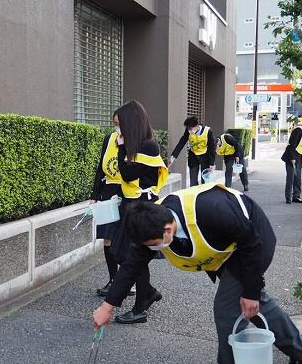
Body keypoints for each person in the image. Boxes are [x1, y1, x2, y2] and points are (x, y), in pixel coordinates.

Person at [92, 183, 302, 364]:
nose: (152, 249)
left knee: (228, 310)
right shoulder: (149, 225)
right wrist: (107, 307)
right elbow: (132, 266)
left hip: (252, 242)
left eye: (154, 244)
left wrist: (251, 290)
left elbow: (251, 242)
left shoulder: (213, 210)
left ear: (168, 229)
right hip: (227, 248)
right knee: (249, 305)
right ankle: (301, 348)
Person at [108, 100, 169, 324]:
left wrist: (122, 147)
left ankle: (141, 305)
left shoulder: (148, 146)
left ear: (130, 124)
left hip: (142, 208)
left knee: (134, 257)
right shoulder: (136, 145)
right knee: (123, 254)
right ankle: (148, 294)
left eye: (119, 124)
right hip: (131, 205)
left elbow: (126, 174)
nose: (117, 129)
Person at [89, 118, 133, 297]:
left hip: (126, 194)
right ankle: (113, 280)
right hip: (108, 193)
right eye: (115, 122)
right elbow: (100, 168)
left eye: (121, 122)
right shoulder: (109, 139)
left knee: (125, 240)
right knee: (107, 238)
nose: (118, 126)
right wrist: (94, 195)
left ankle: (128, 282)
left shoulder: (135, 141)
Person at [169, 116, 216, 187]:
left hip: (205, 156)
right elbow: (182, 142)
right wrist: (174, 156)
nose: (189, 130)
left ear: (196, 126)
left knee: (205, 179)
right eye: (188, 128)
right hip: (193, 155)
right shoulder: (188, 131)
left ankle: (203, 195)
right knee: (193, 181)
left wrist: (211, 163)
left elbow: (212, 148)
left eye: (190, 128)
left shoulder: (208, 131)